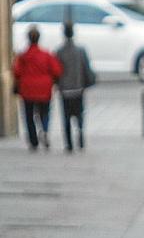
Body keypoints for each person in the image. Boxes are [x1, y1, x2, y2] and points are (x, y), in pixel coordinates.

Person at [12, 25, 63, 151]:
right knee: (44, 113)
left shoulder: (23, 56)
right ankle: (44, 130)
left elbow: (16, 72)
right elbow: (57, 70)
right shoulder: (46, 55)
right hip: (44, 89)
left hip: (27, 89)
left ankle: (33, 140)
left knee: (29, 116)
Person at [56, 22, 96, 152]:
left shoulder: (59, 51)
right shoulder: (80, 50)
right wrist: (88, 82)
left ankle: (69, 143)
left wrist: (58, 84)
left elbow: (57, 71)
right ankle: (80, 133)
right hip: (78, 88)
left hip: (65, 89)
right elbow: (86, 68)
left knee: (66, 116)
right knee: (79, 114)